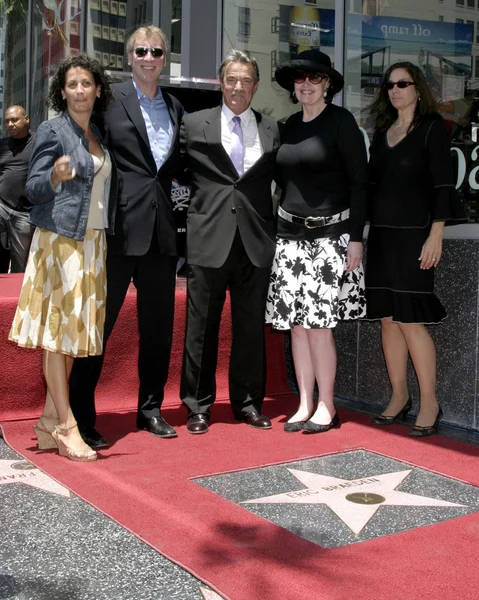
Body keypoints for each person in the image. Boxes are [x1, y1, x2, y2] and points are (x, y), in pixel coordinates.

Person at [68, 26, 184, 447]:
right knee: (98, 328)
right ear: (129, 57)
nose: (149, 56)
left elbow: (173, 169)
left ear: (164, 58)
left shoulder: (176, 106)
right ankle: (80, 418)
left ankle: (149, 410)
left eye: (157, 51)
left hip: (161, 235)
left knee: (157, 330)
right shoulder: (109, 99)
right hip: (115, 232)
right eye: (141, 50)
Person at [8, 54, 116, 461]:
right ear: (62, 91)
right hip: (60, 241)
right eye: (72, 84)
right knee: (58, 336)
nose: (79, 90)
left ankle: (47, 420)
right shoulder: (53, 131)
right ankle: (67, 426)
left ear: (98, 90)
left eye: (86, 83)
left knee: (71, 337)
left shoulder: (97, 134)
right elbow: (32, 187)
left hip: (92, 242)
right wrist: (53, 176)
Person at [180, 49, 282, 434]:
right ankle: (198, 406)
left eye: (246, 80)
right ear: (221, 83)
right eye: (232, 79)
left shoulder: (272, 129)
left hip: (256, 242)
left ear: (256, 86)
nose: (238, 86)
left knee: (251, 328)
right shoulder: (193, 124)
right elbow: (173, 174)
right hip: (208, 238)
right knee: (200, 328)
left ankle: (248, 403)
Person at [266, 50, 368, 434]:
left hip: (331, 237)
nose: (306, 84)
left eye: (314, 78)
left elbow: (360, 184)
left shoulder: (342, 123)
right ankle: (304, 402)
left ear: (327, 83)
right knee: (296, 325)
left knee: (320, 325)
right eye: (300, 79)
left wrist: (355, 239)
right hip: (289, 238)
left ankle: (327, 404)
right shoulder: (288, 126)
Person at [366, 62, 463, 437]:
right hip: (383, 236)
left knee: (410, 319)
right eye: (389, 85)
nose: (395, 90)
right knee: (388, 320)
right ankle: (399, 397)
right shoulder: (382, 131)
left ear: (418, 89)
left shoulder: (431, 129)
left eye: (402, 84)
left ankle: (430, 402)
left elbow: (442, 185)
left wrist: (435, 233)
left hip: (415, 237)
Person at [0, 106, 36, 272]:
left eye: (14, 120)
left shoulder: (39, 143)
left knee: (20, 265)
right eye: (7, 121)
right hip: (2, 206)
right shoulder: (2, 146)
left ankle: (16, 297)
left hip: (25, 212)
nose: (10, 124)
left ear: (26, 119)